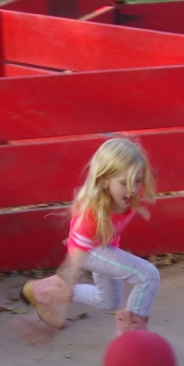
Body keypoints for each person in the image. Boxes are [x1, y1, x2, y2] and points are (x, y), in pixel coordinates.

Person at [24, 137, 161, 334]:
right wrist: (66, 278)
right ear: (104, 181)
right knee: (148, 275)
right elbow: (77, 251)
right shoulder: (92, 211)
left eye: (137, 181)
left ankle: (41, 292)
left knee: (108, 301)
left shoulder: (126, 197)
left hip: (105, 248)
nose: (132, 189)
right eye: (124, 183)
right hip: (87, 251)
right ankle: (132, 335)